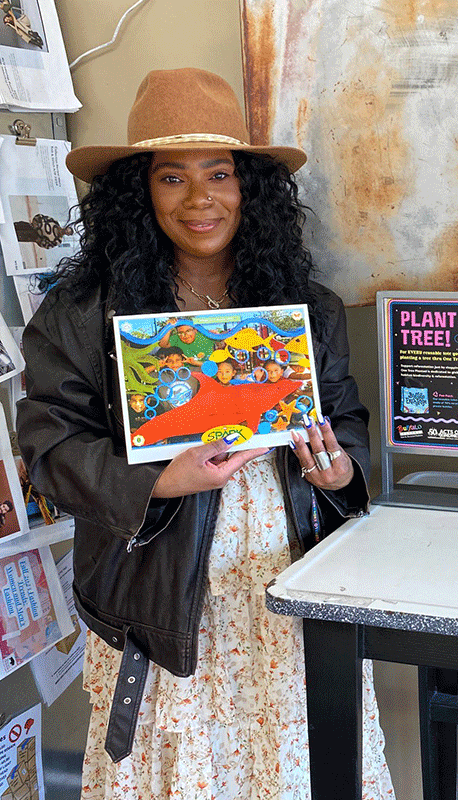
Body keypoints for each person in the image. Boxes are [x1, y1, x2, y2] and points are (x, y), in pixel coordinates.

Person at [16, 68, 394, 799]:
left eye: (219, 174)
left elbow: (347, 425)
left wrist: (339, 472)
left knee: (293, 768)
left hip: (287, 594)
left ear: (248, 185)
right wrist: (157, 479)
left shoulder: (306, 308)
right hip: (160, 607)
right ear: (140, 192)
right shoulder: (80, 313)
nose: (200, 199)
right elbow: (49, 452)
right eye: (172, 178)